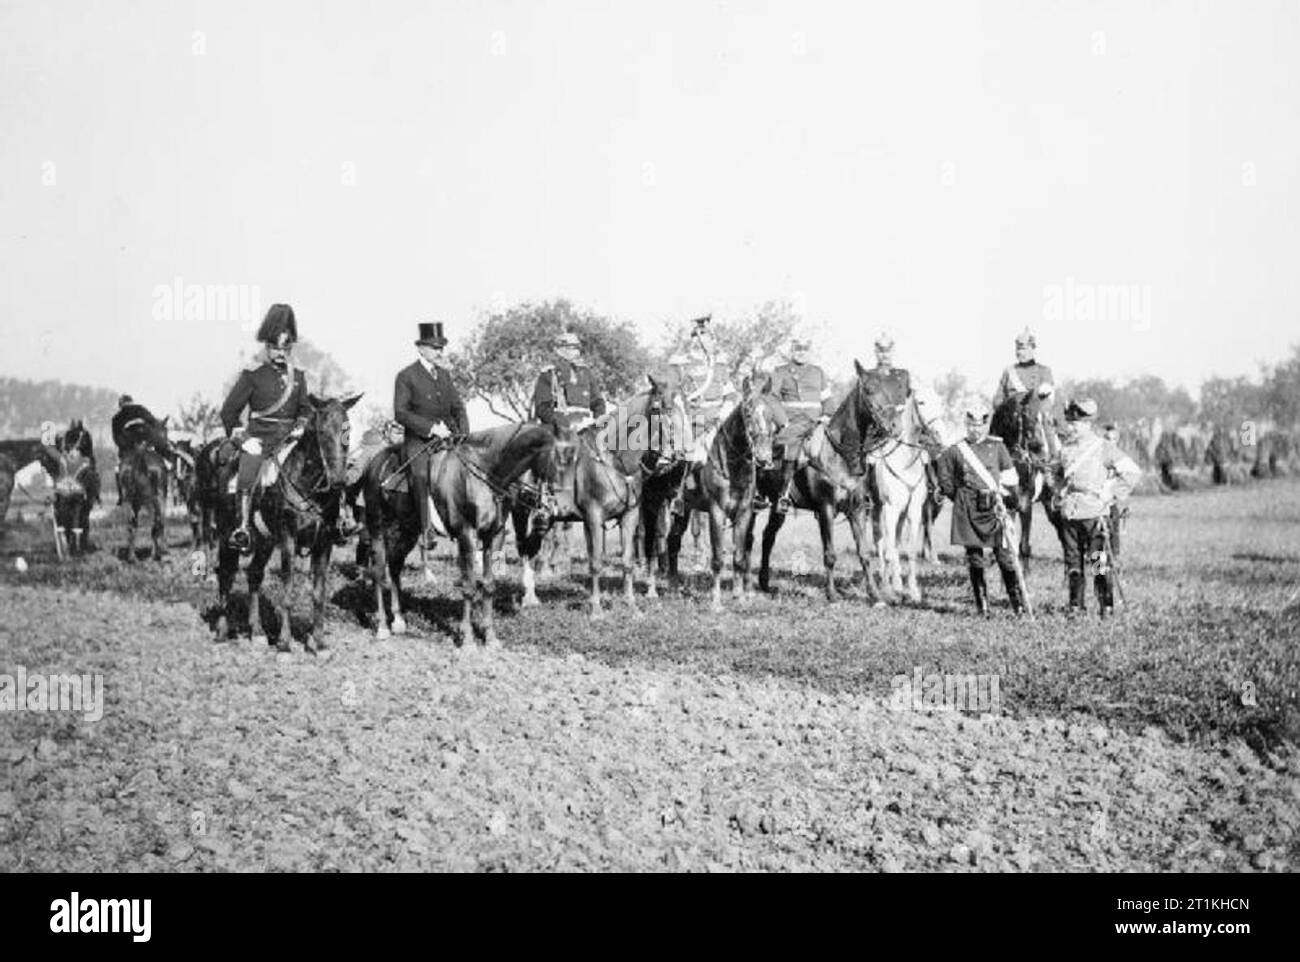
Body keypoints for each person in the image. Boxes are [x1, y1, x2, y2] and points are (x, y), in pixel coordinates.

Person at [219, 304, 314, 553]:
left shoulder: (300, 378)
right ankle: (242, 528)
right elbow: (228, 412)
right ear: (267, 347)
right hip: (258, 439)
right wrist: (242, 438)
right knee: (249, 469)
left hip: (290, 441)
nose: (281, 353)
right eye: (275, 347)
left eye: (286, 347)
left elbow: (305, 409)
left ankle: (320, 526)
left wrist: (302, 425)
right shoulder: (253, 376)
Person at [1051, 398, 1141, 617]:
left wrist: (1110, 493)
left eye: (1076, 423)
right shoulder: (1065, 450)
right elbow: (1053, 472)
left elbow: (1132, 472)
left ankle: (1106, 606)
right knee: (1072, 561)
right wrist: (1058, 490)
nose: (1071, 427)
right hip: (1070, 514)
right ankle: (1076, 606)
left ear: (1088, 424)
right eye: (1070, 422)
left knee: (1098, 562)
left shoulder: (1103, 448)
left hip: (1094, 513)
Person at [934, 399, 1026, 616]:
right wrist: (959, 496)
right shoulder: (956, 451)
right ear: (966, 425)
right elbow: (944, 477)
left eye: (980, 425)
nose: (976, 430)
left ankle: (1018, 605)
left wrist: (1006, 500)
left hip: (994, 508)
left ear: (987, 425)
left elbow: (1010, 477)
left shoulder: (998, 446)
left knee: (1004, 556)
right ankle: (982, 607)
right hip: (968, 508)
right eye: (972, 425)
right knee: (974, 558)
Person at [393, 322, 469, 543]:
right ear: (421, 349)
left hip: (450, 438)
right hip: (420, 440)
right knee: (420, 475)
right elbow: (401, 413)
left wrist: (463, 434)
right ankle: (426, 529)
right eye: (435, 347)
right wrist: (431, 428)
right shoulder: (406, 376)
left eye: (441, 348)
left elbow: (458, 407)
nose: (439, 352)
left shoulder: (444, 376)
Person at [768, 336, 834, 514]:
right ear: (792, 351)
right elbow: (772, 399)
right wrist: (783, 421)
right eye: (798, 349)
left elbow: (827, 398)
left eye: (804, 350)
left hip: (816, 422)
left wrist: (827, 415)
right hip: (793, 423)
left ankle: (846, 494)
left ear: (809, 351)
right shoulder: (781, 372)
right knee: (790, 450)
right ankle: (785, 494)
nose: (801, 353)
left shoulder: (817, 372)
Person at [994, 328, 1058, 457]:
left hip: (1033, 418)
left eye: (1023, 349)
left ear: (1033, 349)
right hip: (1011, 420)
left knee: (1046, 426)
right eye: (1018, 349)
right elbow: (998, 399)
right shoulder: (1009, 372)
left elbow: (1048, 398)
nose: (1019, 352)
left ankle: (1052, 461)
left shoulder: (1044, 371)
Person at [531, 331, 607, 436]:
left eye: (576, 348)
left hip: (587, 424)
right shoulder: (549, 374)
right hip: (559, 428)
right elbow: (542, 408)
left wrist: (599, 418)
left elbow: (598, 401)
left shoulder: (586, 373)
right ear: (559, 350)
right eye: (571, 348)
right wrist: (561, 422)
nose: (575, 352)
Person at [858, 332, 912, 411]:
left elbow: (911, 400)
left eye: (888, 351)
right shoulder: (868, 376)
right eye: (881, 351)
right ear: (875, 352)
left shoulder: (903, 375)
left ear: (893, 351)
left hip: (900, 419)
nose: (884, 355)